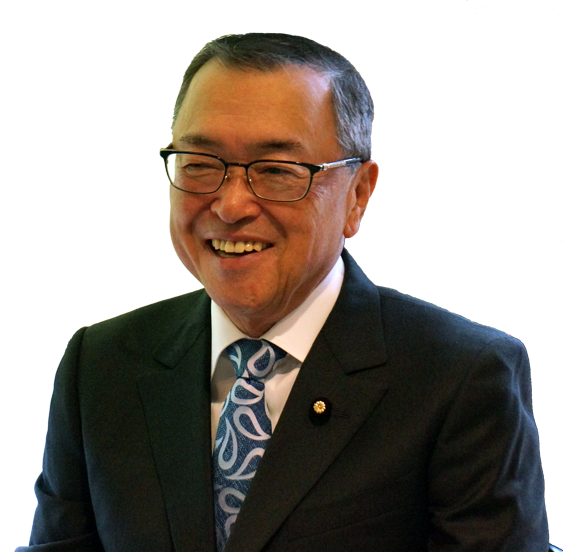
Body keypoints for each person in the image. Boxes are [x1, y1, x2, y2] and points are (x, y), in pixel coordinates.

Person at [18, 34, 549, 552]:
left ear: (358, 194)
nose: (230, 206)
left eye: (276, 171)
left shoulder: (459, 377)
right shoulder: (102, 367)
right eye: (200, 164)